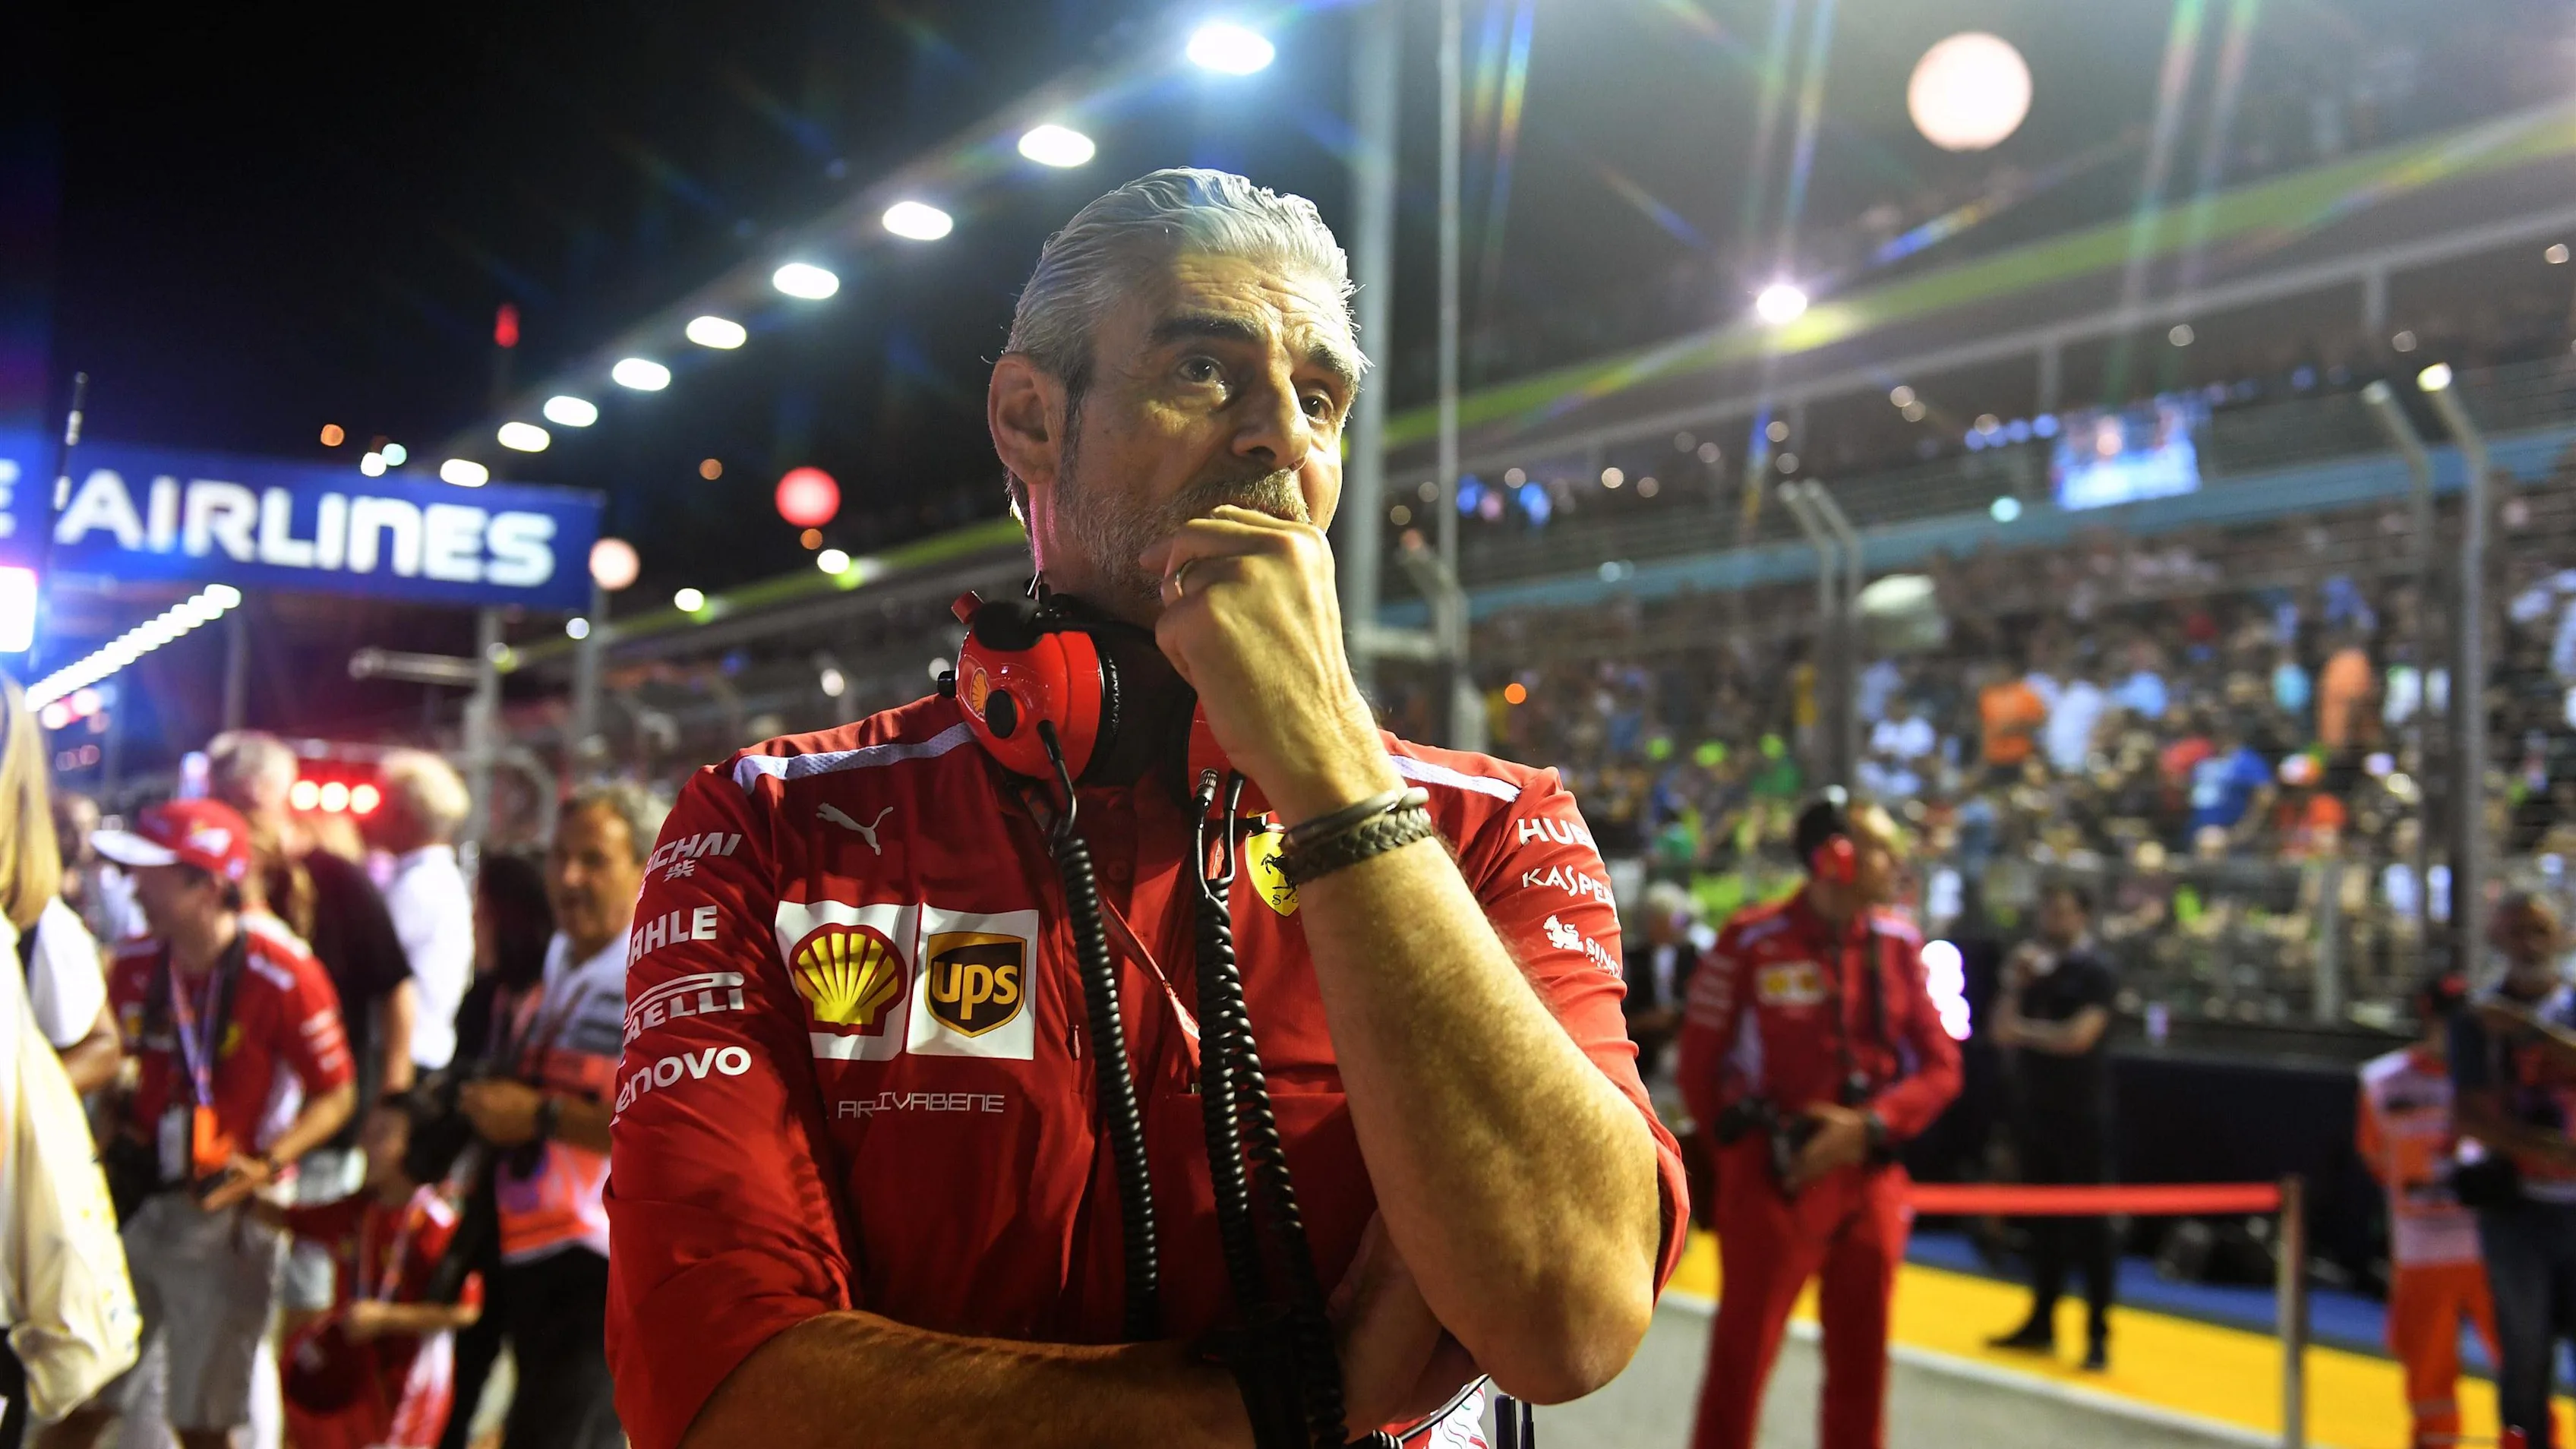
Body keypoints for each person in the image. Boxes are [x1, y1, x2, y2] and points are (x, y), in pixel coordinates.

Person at [605, 169, 1684, 1449]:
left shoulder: (1493, 826)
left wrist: (1336, 769)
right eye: (1202, 370)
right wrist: (1294, 1398)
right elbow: (724, 1393)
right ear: (1027, 415)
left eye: (1321, 396)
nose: (1280, 433)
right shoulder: (772, 829)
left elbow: (1566, 1321)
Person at [51, 799, 356, 1449]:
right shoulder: (135, 962)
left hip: (226, 1215)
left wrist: (267, 1166)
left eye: (151, 872)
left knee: (202, 1425)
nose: (134, 887)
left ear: (205, 883)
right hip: (134, 1205)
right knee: (79, 1398)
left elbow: (338, 1094)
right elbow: (115, 1061)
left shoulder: (282, 970)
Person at [1678, 798, 1963, 1449]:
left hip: (1869, 1181)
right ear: (1834, 857)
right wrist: (1748, 1167)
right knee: (1740, 1364)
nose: (1895, 862)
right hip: (1775, 1181)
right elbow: (1701, 1072)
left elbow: (1944, 1069)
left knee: (1863, 1376)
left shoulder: (1898, 944)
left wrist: (1868, 1126)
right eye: (1880, 847)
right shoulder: (1750, 940)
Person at [458, 787, 657, 1449]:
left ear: (645, 867)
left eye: (594, 861)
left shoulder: (655, 973)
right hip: (533, 1244)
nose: (569, 879)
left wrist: (539, 1117)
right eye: (559, 858)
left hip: (602, 1258)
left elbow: (666, 1129)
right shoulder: (558, 958)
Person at [266, 1108, 484, 1449]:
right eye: (366, 1131)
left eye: (381, 1134)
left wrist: (384, 1319)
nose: (364, 1144)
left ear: (414, 1149)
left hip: (407, 1387)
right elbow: (290, 1220)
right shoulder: (358, 1211)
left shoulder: (434, 1225)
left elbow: (466, 1310)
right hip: (354, 1379)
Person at [434, 853, 554, 1449]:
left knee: (539, 1383)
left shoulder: (559, 991)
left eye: (481, 911)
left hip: (551, 1217)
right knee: (465, 1360)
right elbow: (461, 1076)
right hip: (486, 1203)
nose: (474, 924)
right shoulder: (491, 992)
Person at [2450, 893, 2576, 1449]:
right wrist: (2543, 1149)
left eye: (2540, 930)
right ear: (2496, 941)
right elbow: (2467, 1115)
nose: (2530, 944)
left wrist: (2527, 1031)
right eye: (2516, 932)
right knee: (2524, 1352)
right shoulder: (2476, 1020)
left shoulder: (2542, 1013)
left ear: (2562, 936)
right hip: (2517, 1211)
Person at [2360, 971, 2499, 1449]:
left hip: (2496, 1249)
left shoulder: (2500, 1077)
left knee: (2524, 1366)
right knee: (2427, 1374)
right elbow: (2376, 1157)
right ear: (2427, 1017)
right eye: (2449, 1021)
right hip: (2423, 1253)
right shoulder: (2381, 1081)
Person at [1986, 882, 2120, 1371]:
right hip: (2035, 1113)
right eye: (2049, 909)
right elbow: (1998, 1029)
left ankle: (2098, 1334)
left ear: (2083, 916)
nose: (2054, 920)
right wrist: (2014, 985)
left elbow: (2078, 1038)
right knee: (2042, 1223)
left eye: (2064, 911)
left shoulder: (2096, 972)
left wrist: (2024, 1032)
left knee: (2092, 1229)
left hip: (2083, 1116)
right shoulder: (2035, 973)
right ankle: (2041, 1320)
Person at [0, 680, 119, 1095]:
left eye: (83, 829)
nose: (78, 841)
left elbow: (102, 1044)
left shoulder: (37, 919)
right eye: (70, 829)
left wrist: (23, 1104)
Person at [365, 750, 476, 1075]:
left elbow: (373, 969)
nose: (374, 815)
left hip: (402, 1063)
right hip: (414, 1056)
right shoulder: (431, 877)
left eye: (383, 804)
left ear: (406, 815)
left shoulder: (420, 885)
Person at [1624, 881, 1706, 1080]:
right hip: (1642, 1046)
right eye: (1656, 919)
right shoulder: (1631, 957)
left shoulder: (1694, 955)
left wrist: (1675, 1014)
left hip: (1683, 1039)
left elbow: (1701, 998)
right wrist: (1642, 1020)